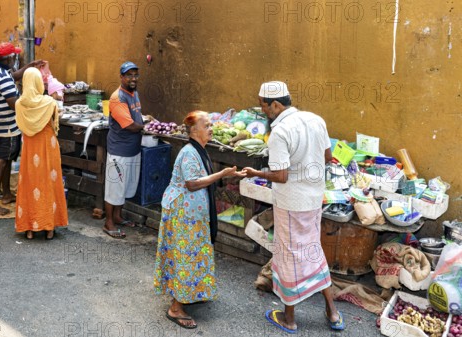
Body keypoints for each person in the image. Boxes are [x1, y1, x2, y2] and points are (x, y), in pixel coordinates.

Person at [242, 81, 345, 334]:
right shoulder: (315, 119)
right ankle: (332, 312)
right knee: (312, 250)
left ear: (276, 104)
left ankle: (289, 318)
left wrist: (256, 172)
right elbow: (327, 157)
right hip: (312, 201)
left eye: (263, 107)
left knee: (288, 255)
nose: (263, 112)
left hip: (290, 204)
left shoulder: (280, 131)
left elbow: (281, 176)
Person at [154, 111, 246, 329]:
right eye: (207, 125)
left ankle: (192, 291)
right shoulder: (188, 153)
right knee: (185, 256)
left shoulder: (200, 150)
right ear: (194, 131)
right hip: (183, 214)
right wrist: (222, 174)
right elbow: (192, 183)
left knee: (195, 254)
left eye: (211, 124)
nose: (211, 128)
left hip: (192, 215)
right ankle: (176, 308)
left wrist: (226, 175)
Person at [0, 42, 44, 216]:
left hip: (1, 122)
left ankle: (6, 194)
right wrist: (35, 102)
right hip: (7, 126)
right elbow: (14, 104)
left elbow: (14, 76)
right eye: (15, 57)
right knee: (0, 161)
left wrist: (31, 66)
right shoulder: (2, 78)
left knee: (8, 158)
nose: (16, 60)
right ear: (9, 58)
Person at [14, 67, 68, 240]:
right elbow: (53, 123)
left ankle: (29, 228)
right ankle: (49, 226)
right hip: (48, 146)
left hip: (30, 149)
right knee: (49, 183)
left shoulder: (19, 103)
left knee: (30, 184)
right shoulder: (49, 102)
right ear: (38, 82)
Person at [102, 61, 144, 238]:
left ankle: (118, 217)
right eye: (129, 75)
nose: (133, 78)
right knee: (114, 188)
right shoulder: (117, 97)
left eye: (135, 75)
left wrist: (145, 120)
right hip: (119, 151)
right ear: (121, 77)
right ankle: (108, 222)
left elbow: (137, 117)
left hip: (133, 149)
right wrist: (146, 127)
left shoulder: (134, 93)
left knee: (125, 186)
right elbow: (129, 125)